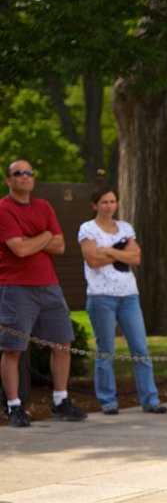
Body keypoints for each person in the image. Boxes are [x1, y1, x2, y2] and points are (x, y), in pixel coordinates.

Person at [0, 159, 87, 427]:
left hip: (49, 285)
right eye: (19, 173)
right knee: (13, 348)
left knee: (62, 342)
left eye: (29, 173)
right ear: (9, 180)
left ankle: (60, 399)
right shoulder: (4, 209)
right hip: (16, 287)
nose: (25, 177)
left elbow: (60, 246)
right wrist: (45, 235)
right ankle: (14, 405)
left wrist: (35, 239)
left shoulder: (44, 206)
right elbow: (20, 250)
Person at [78, 184, 167, 415]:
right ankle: (108, 401)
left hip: (128, 295)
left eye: (112, 201)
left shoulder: (125, 227)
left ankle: (150, 399)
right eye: (104, 202)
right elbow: (92, 261)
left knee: (140, 349)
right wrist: (119, 254)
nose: (109, 206)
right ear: (95, 205)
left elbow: (135, 257)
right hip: (101, 297)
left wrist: (106, 250)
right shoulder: (87, 228)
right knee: (105, 350)